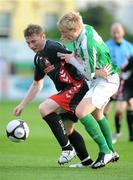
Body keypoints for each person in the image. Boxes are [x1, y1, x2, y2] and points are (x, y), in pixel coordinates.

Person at [13, 24, 109, 168]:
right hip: (68, 91)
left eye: (34, 41)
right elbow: (36, 84)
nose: (31, 45)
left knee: (44, 108)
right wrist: (22, 104)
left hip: (77, 86)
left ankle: (67, 149)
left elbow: (76, 55)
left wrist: (97, 71)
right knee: (67, 128)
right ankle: (86, 162)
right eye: (28, 42)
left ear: (43, 36)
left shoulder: (52, 47)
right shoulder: (38, 59)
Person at [57, 11, 120, 168]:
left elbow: (88, 74)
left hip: (106, 81)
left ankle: (105, 151)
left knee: (81, 111)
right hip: (102, 77)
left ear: (74, 29)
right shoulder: (85, 28)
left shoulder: (87, 44)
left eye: (65, 32)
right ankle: (112, 151)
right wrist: (74, 54)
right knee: (97, 114)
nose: (63, 35)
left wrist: (72, 59)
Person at [105, 23, 133, 143]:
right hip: (110, 80)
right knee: (105, 109)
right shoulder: (106, 45)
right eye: (114, 32)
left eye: (118, 32)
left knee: (127, 106)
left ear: (123, 33)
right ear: (111, 33)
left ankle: (130, 135)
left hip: (127, 81)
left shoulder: (129, 47)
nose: (116, 34)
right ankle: (108, 133)